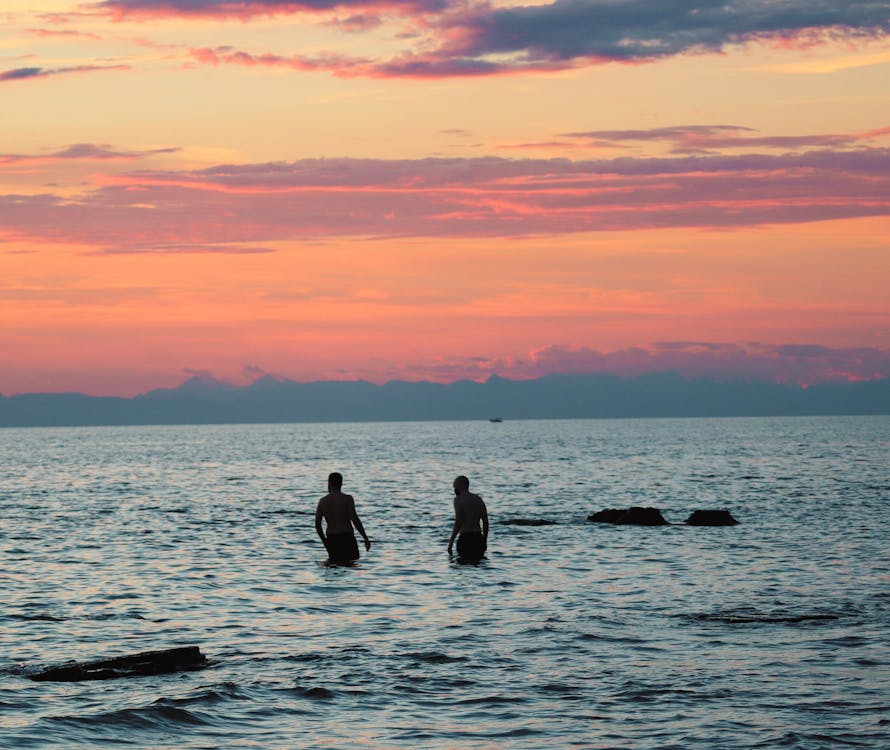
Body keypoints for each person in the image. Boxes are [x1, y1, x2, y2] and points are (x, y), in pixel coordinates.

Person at [315, 472, 371, 564]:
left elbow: (317, 525)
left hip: (332, 539)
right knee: (351, 568)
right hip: (347, 538)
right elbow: (355, 519)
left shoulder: (323, 501)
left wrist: (325, 542)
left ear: (329, 483)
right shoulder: (347, 499)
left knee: (334, 567)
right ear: (341, 484)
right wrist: (365, 537)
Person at [447, 475, 489, 560]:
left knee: (463, 566)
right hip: (478, 538)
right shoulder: (478, 499)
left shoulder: (458, 499)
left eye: (455, 487)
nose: (454, 490)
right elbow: (485, 522)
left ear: (460, 486)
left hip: (465, 538)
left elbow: (459, 522)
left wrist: (451, 541)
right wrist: (484, 540)